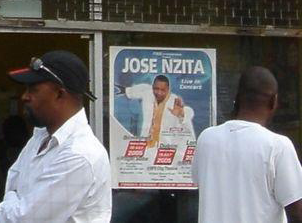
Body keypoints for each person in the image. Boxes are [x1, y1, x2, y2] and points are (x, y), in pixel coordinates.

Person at [0, 50, 111, 222]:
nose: (24, 97)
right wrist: (15, 199)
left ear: (59, 94)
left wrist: (12, 199)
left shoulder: (79, 154)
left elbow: (24, 219)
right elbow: (12, 183)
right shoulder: (40, 137)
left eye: (33, 89)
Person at [192, 66, 302, 223]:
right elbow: (297, 213)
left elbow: (200, 183)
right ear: (273, 101)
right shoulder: (278, 147)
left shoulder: (206, 139)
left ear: (237, 98)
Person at [121, 75, 195, 148]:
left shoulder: (174, 101)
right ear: (153, 87)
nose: (159, 92)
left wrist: (181, 113)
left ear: (168, 89)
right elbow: (135, 90)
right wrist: (125, 91)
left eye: (163, 90)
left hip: (165, 147)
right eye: (156, 89)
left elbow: (189, 113)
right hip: (145, 145)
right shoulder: (148, 93)